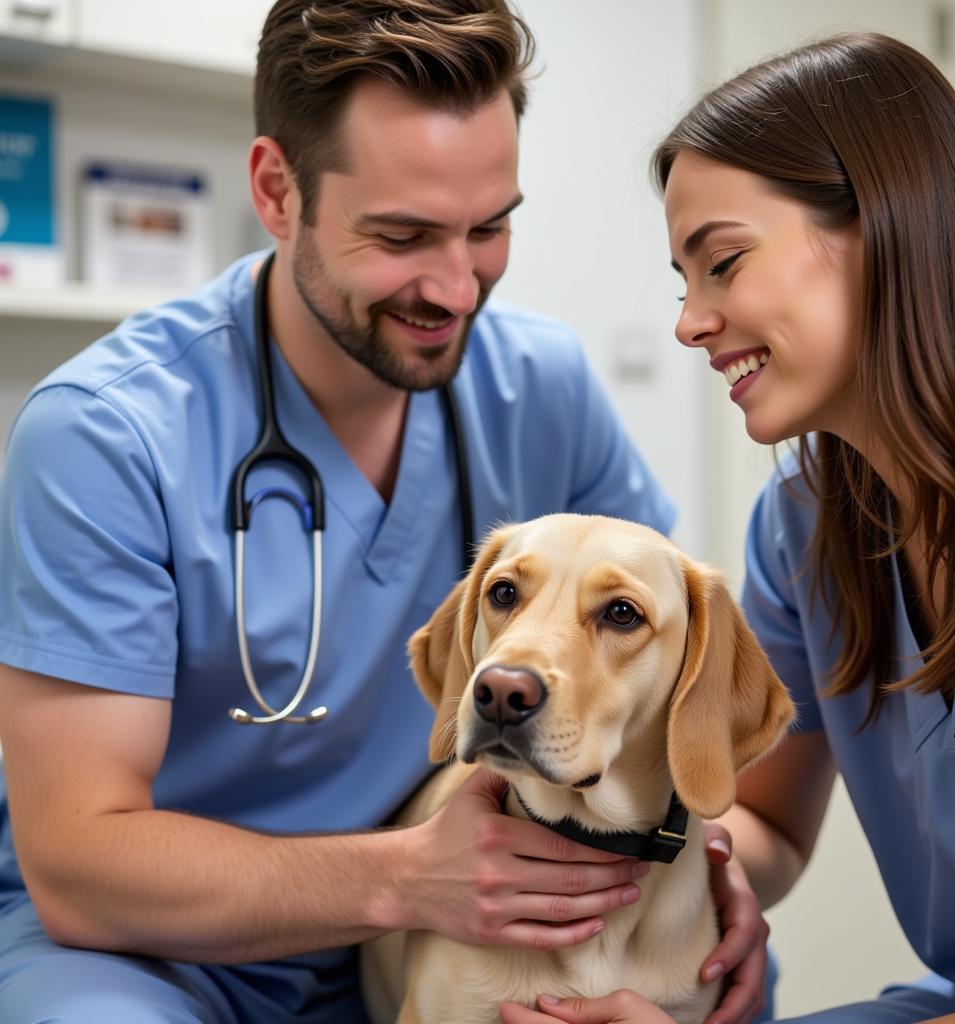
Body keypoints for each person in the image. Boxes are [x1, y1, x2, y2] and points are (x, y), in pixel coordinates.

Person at [0, 1, 710, 1021]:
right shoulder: (105, 436)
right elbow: (79, 861)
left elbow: (658, 689)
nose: (459, 288)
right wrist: (408, 878)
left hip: (449, 925)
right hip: (154, 953)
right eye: (403, 235)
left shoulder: (540, 388)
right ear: (275, 191)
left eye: (490, 227)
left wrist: (701, 875)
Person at [500, 28, 955, 1024]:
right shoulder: (804, 526)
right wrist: (643, 864)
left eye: (723, 263)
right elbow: (766, 821)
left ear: (889, 226)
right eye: (680, 282)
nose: (689, 322)